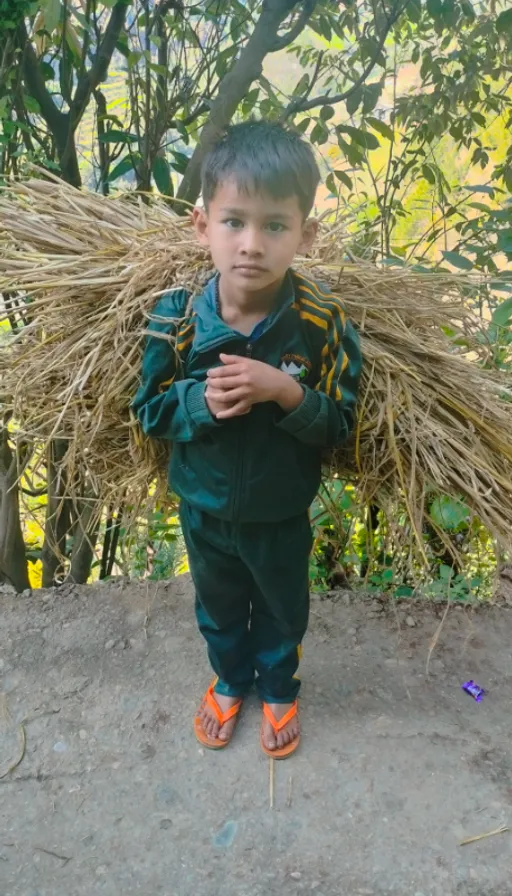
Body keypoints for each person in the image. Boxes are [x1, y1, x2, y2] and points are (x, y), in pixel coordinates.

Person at [132, 120, 362, 759]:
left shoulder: (321, 325)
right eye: (234, 222)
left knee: (284, 606)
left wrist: (287, 393)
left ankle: (280, 686)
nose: (252, 244)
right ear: (200, 223)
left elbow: (341, 425)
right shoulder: (174, 318)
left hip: (281, 510)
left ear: (305, 234)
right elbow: (147, 411)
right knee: (219, 603)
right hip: (202, 507)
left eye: (275, 225)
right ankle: (231, 679)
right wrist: (197, 401)